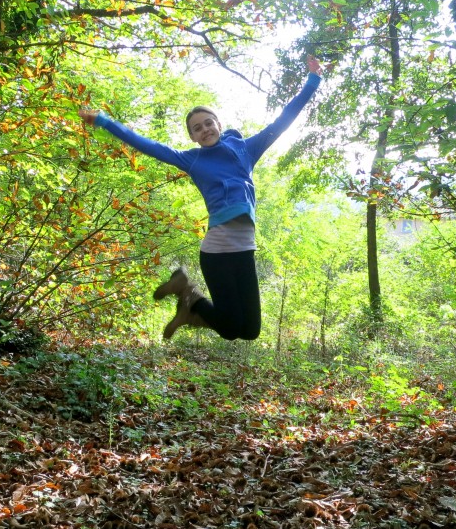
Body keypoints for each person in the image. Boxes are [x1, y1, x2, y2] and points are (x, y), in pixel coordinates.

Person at [78, 56, 323, 341]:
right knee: (231, 330)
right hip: (217, 251)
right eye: (197, 128)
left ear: (218, 124)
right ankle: (188, 295)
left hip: (245, 249)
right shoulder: (192, 160)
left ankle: (189, 306)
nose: (205, 129)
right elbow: (147, 144)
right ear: (193, 137)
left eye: (208, 123)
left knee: (251, 331)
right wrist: (104, 121)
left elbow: (283, 121)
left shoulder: (246, 150)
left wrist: (313, 80)